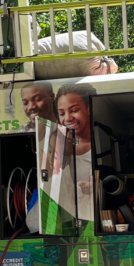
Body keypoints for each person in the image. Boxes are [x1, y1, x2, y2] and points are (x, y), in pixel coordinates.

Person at [54, 83, 96, 222]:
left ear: (89, 108)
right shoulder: (58, 148)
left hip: (95, 220)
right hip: (67, 223)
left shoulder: (101, 145)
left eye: (74, 110)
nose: (67, 118)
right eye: (62, 113)